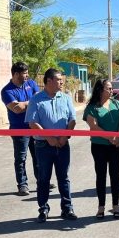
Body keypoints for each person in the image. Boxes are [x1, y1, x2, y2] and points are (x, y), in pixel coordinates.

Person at [26, 68, 77, 222]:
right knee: (43, 179)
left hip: (63, 145)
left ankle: (67, 209)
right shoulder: (36, 99)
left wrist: (65, 136)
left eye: (62, 80)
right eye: (59, 80)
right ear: (49, 81)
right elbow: (32, 123)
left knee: (64, 178)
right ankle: (43, 209)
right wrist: (49, 138)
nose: (61, 82)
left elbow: (72, 119)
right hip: (43, 146)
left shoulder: (66, 98)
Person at [1, 61, 48, 196]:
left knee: (38, 156)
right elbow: (16, 109)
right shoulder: (7, 91)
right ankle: (22, 185)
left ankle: (42, 181)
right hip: (19, 129)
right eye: (25, 73)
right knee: (21, 158)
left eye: (27, 73)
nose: (27, 75)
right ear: (16, 74)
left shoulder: (31, 84)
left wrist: (25, 104)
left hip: (35, 126)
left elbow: (39, 100)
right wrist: (32, 102)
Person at [84, 79, 119, 219]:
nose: (111, 90)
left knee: (115, 175)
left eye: (111, 88)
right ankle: (101, 207)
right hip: (99, 146)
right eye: (109, 88)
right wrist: (109, 137)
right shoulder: (92, 107)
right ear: (100, 90)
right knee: (101, 176)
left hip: (116, 145)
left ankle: (116, 206)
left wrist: (118, 137)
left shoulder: (116, 103)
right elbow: (93, 126)